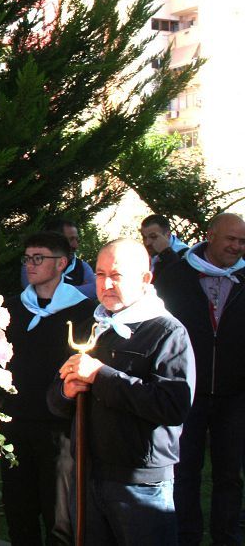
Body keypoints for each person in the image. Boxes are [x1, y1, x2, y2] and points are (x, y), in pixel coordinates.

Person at [47, 239, 194, 546]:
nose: (106, 284)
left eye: (117, 275)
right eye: (100, 274)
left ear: (145, 279)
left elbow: (172, 404)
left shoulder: (167, 332)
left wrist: (101, 376)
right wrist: (66, 392)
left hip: (139, 483)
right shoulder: (92, 327)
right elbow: (56, 400)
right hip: (87, 474)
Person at [153, 212, 245, 546]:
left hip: (235, 393)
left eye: (242, 241)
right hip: (186, 391)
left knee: (229, 474)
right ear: (211, 236)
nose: (236, 247)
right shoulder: (176, 275)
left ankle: (227, 537)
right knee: (184, 471)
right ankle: (186, 536)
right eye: (230, 239)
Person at [1, 232, 94, 545]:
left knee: (58, 515)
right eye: (27, 258)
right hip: (13, 425)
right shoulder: (10, 308)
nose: (31, 264)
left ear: (62, 264)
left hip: (59, 428)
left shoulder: (83, 312)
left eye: (39, 258)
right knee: (19, 511)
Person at [21, 219, 96, 300]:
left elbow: (94, 290)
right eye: (70, 240)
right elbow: (37, 293)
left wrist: (54, 290)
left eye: (77, 240)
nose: (75, 245)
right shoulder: (32, 263)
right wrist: (80, 290)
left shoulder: (82, 266)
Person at [140, 214, 189, 279]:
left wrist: (166, 252)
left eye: (153, 237)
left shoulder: (185, 256)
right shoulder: (144, 254)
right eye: (144, 237)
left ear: (167, 235)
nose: (147, 243)